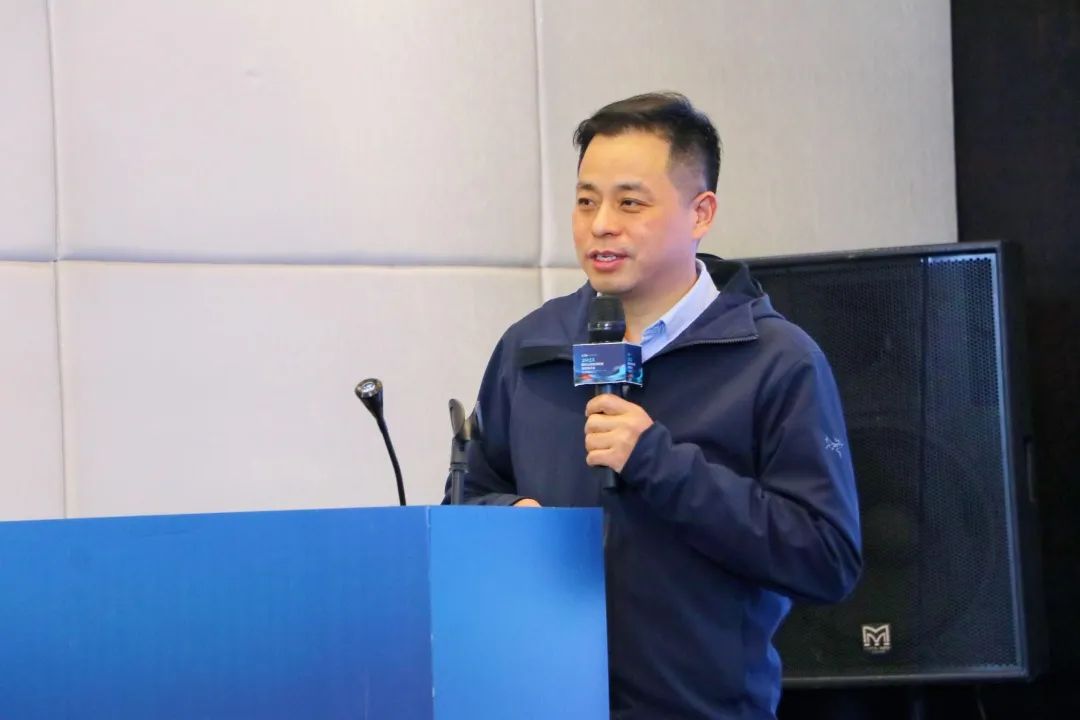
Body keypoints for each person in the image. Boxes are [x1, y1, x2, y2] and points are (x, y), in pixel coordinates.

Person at [452, 92, 862, 719]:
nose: (601, 224)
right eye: (586, 201)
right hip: (541, 702)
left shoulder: (776, 360)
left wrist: (658, 463)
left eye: (630, 202)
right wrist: (507, 517)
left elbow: (827, 559)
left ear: (701, 213)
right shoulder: (531, 347)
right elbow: (467, 498)